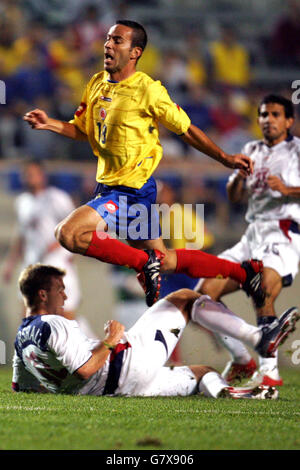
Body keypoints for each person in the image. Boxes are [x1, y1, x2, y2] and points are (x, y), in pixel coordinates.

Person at [23, 20, 264, 309]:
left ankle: (143, 263)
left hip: (130, 192)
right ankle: (244, 272)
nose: (108, 45)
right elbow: (82, 129)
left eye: (117, 41)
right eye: (108, 39)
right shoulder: (97, 83)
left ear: (135, 52)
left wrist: (225, 158)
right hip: (113, 189)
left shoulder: (148, 89)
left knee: (68, 233)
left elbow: (185, 129)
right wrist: (50, 123)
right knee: (164, 261)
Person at [12, 264, 299, 398]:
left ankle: (232, 393)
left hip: (120, 390)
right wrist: (111, 340)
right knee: (186, 297)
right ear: (42, 295)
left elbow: (23, 387)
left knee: (202, 373)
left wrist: (61, 385)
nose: (65, 296)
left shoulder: (20, 341)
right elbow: (84, 370)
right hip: (126, 365)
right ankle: (259, 338)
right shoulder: (54, 324)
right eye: (60, 291)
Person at [198, 94, 300, 387]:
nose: (268, 120)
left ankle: (270, 373)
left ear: (289, 121)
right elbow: (234, 198)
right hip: (252, 232)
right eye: (264, 115)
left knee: (263, 285)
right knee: (204, 293)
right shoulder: (250, 149)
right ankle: (242, 360)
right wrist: (237, 181)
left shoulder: (296, 151)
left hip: (283, 231)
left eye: (276, 114)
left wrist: (288, 189)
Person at [2, 160, 84, 327]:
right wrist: (10, 264)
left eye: (32, 174)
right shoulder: (23, 202)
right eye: (26, 174)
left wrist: (63, 248)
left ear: (42, 176)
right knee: (29, 318)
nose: (29, 178)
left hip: (57, 265)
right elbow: (21, 235)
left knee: (65, 318)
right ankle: (30, 352)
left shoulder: (56, 197)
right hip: (32, 265)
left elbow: (76, 226)